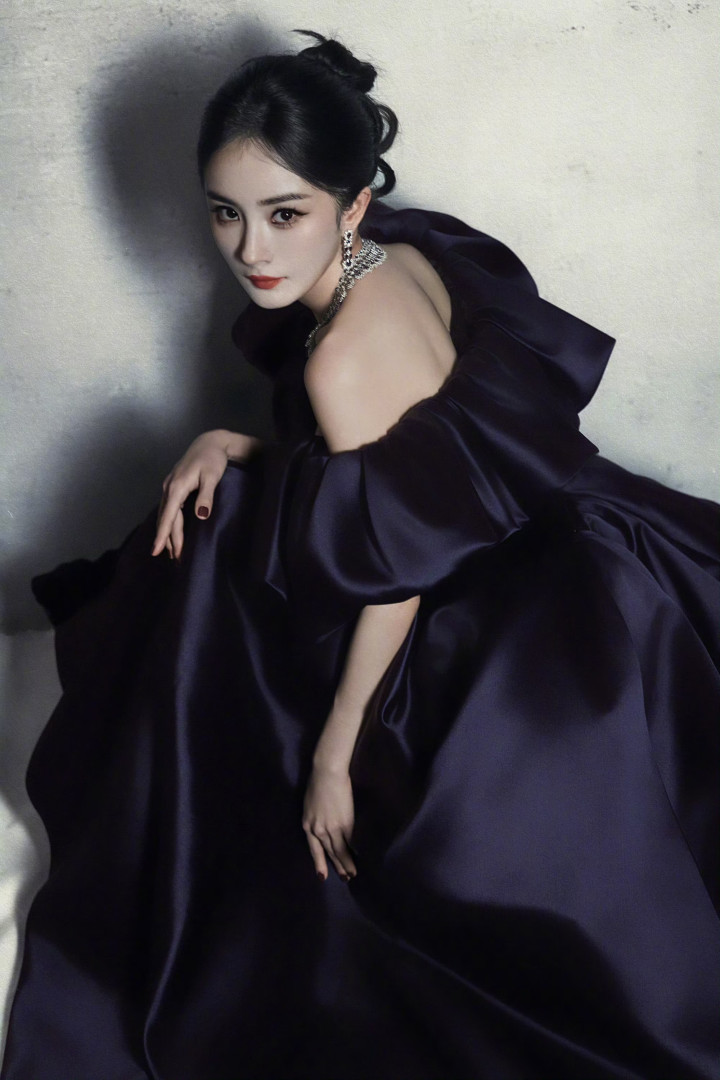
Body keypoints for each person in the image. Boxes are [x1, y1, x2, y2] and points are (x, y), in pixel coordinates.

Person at [2, 29, 718, 1080]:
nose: (252, 250)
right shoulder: (404, 251)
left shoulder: (338, 358)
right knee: (221, 518)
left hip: (475, 618)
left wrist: (335, 758)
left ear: (350, 204)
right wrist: (235, 442)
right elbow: (405, 463)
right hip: (565, 529)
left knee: (205, 596)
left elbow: (398, 574)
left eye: (284, 214)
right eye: (226, 212)